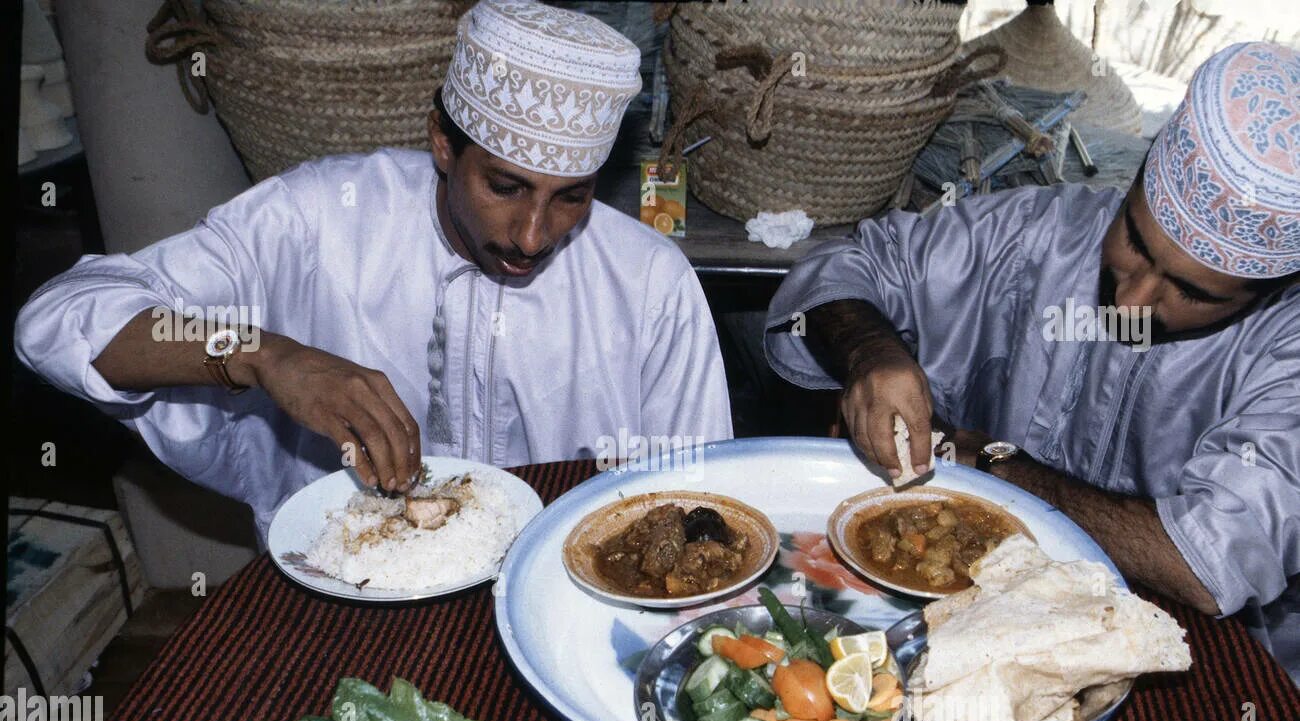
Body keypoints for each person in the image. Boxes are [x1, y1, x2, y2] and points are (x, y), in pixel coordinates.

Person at [16, 0, 732, 543]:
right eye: (506, 188)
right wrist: (266, 356)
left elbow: (701, 504)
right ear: (442, 144)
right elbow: (55, 320)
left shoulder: (649, 283)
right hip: (346, 590)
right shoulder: (317, 218)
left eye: (570, 196)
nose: (534, 234)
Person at [764, 42, 1300, 675]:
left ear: (1270, 290)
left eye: (1191, 292)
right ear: (1137, 178)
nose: (1133, 295)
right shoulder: (1038, 231)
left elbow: (1207, 563)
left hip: (1183, 657)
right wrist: (868, 350)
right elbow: (843, 266)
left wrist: (992, 461)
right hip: (956, 625)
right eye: (1135, 238)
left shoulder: (1286, 354)